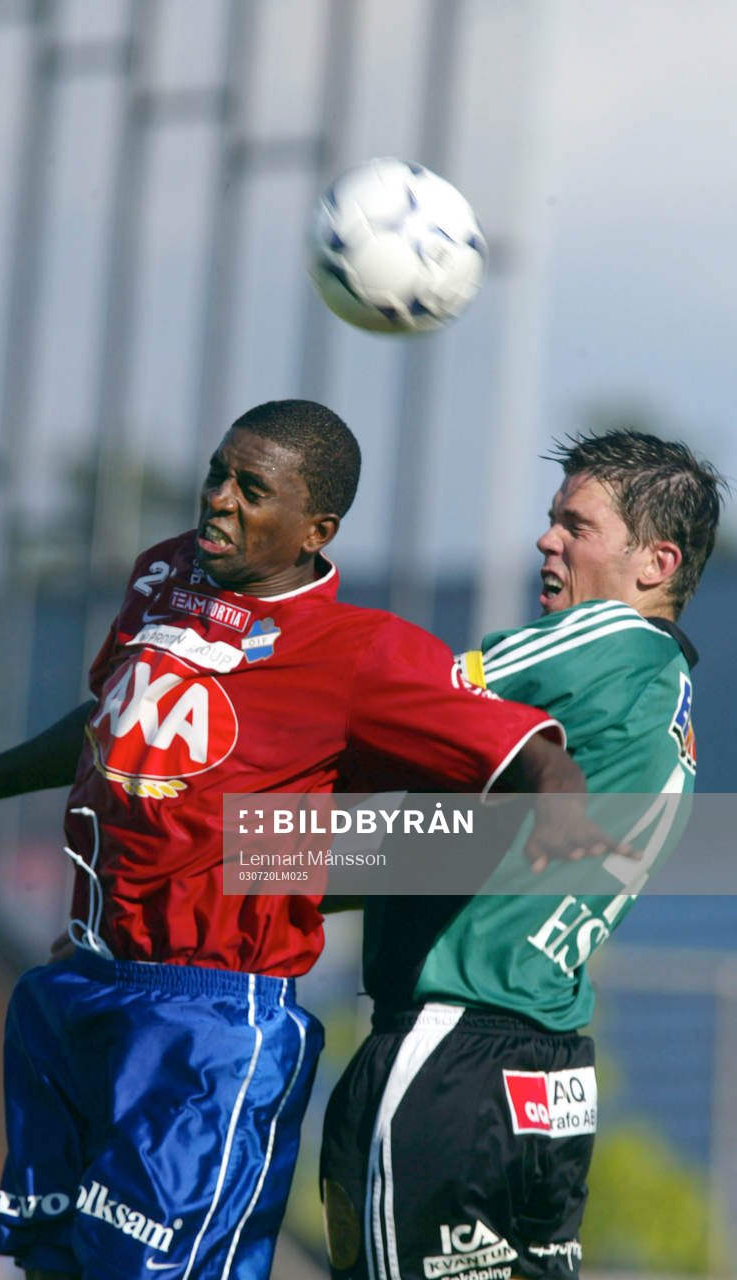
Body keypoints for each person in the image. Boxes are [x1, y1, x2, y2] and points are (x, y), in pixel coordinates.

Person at [0, 399, 611, 1280]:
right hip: (81, 987)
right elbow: (113, 718)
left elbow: (517, 743)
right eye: (217, 474)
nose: (219, 500)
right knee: (53, 1264)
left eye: (252, 489)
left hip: (209, 1023)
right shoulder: (165, 578)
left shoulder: (358, 652)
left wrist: (559, 794)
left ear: (316, 529)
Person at [320, 429, 726, 1280]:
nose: (547, 540)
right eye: (552, 520)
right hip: (549, 1078)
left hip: (452, 1052)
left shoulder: (608, 642)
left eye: (576, 525)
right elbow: (449, 853)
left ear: (656, 564)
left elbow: (402, 695)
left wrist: (217, 854)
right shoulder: (664, 712)